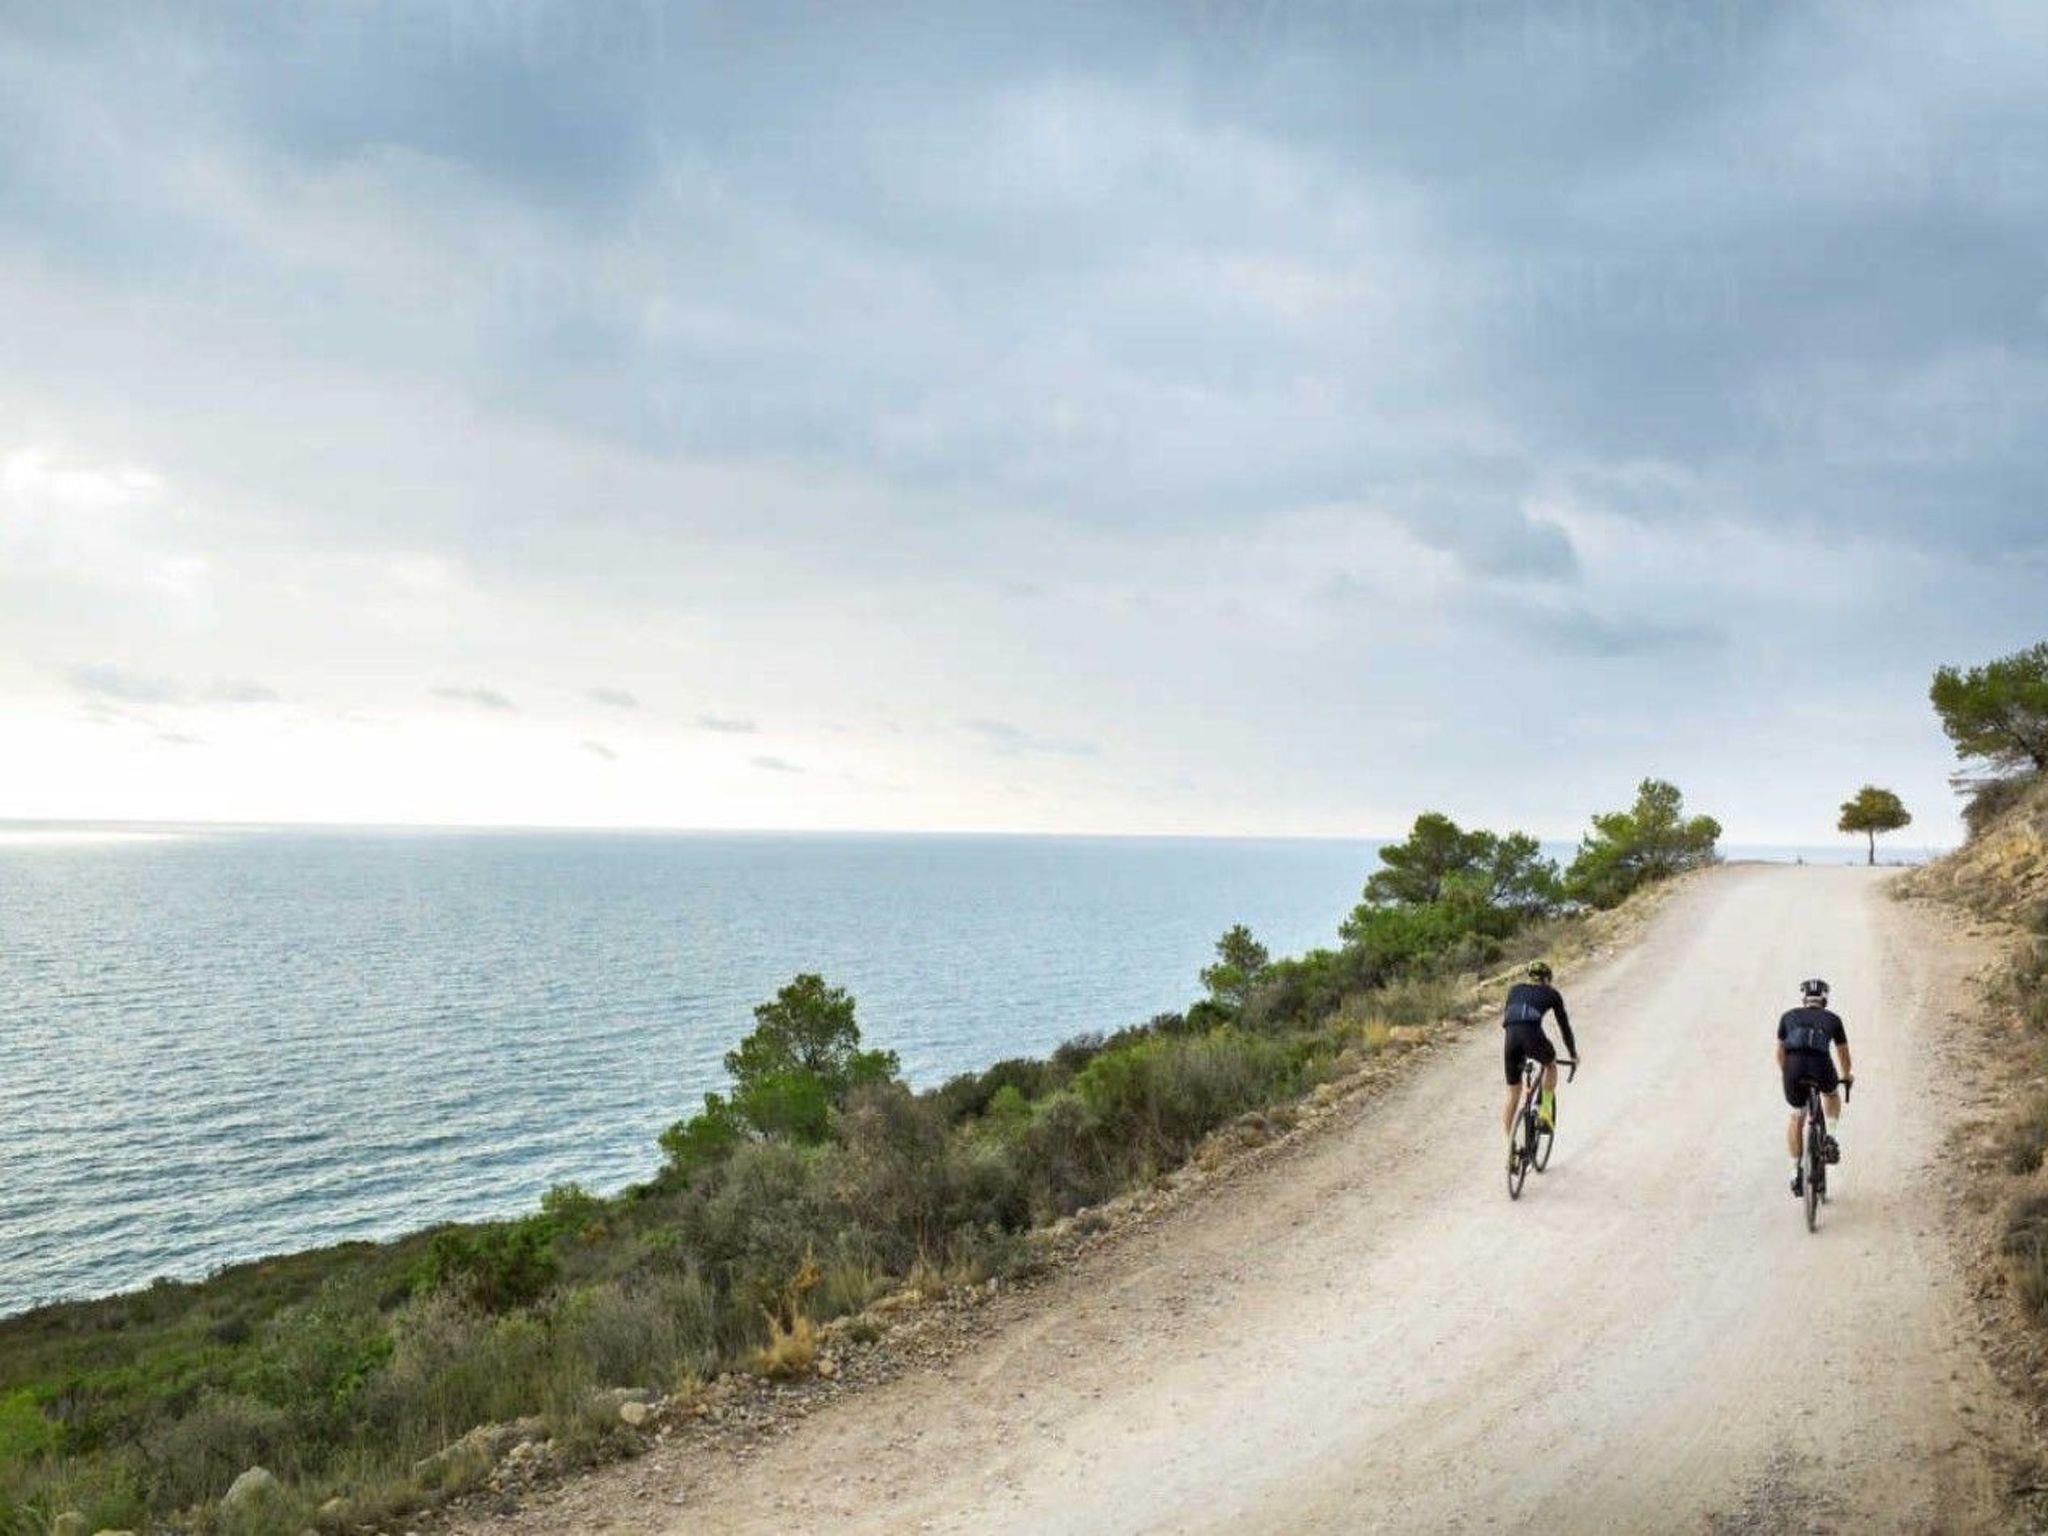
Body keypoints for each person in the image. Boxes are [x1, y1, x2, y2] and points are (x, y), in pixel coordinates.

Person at [1778, 977, 1854, 1197]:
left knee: (1797, 1116)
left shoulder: (1787, 1017)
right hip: (1820, 1065)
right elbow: (1843, 1055)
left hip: (1793, 1068)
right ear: (1825, 999)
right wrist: (1846, 1075)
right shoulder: (1833, 1019)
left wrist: (1788, 1074)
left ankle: (1795, 1172)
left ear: (1804, 998)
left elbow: (1780, 1054)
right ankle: (1830, 1137)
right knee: (1831, 1094)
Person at [1501, 960, 1578, 1150]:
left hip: (1511, 1039)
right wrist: (1572, 1054)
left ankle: (1511, 1147)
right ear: (1546, 979)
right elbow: (1564, 1026)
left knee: (1513, 1093)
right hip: (1531, 1036)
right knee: (1550, 1065)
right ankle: (1544, 1112)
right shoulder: (1552, 993)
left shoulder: (1514, 990)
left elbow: (1510, 1017)